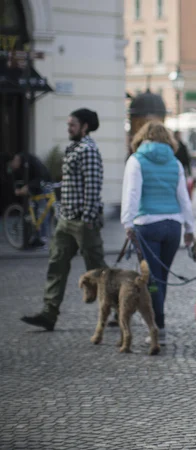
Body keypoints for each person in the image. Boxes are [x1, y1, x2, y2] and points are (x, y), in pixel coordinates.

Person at [21, 108, 107, 331]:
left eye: (72, 125)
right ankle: (49, 314)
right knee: (56, 264)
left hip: (83, 221)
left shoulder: (87, 150)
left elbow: (93, 185)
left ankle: (115, 309)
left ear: (85, 126)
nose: (68, 128)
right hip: (65, 220)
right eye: (68, 124)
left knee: (97, 270)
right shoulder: (74, 148)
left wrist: (88, 219)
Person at [121, 121, 194, 343]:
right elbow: (183, 197)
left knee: (152, 278)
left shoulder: (136, 161)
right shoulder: (175, 163)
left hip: (147, 224)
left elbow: (132, 194)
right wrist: (189, 227)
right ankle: (157, 322)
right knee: (160, 278)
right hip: (173, 225)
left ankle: (157, 326)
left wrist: (128, 223)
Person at [8, 151, 52, 247]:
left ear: (16, 160)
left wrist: (28, 187)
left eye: (14, 165)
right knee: (34, 210)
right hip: (33, 185)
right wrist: (17, 189)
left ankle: (42, 236)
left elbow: (41, 175)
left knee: (43, 209)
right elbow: (15, 179)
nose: (14, 168)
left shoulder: (30, 161)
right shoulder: (16, 167)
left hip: (42, 182)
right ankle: (36, 235)